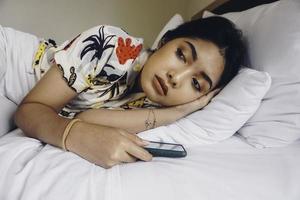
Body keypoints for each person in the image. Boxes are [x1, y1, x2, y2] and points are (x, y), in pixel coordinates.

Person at [0, 16, 245, 168]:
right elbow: (30, 112)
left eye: (196, 84)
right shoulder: (113, 45)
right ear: (165, 41)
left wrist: (179, 112)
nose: (176, 77)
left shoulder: (153, 104)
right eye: (181, 54)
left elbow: (84, 119)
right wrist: (73, 136)